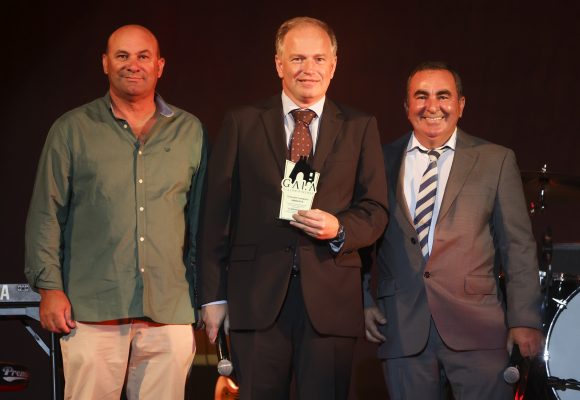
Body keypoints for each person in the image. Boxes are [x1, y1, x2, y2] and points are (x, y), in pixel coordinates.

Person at [199, 16, 388, 400]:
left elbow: (375, 209)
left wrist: (339, 228)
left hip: (331, 298)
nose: (308, 69)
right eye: (298, 58)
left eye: (319, 59)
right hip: (256, 298)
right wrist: (213, 296)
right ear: (278, 64)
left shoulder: (359, 126)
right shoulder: (242, 122)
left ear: (333, 66)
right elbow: (216, 215)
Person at [24, 24, 206, 399]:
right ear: (105, 63)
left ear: (160, 66)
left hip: (168, 309)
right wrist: (50, 288)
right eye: (122, 56)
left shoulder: (189, 131)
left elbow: (202, 223)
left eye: (143, 56)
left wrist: (203, 294)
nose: (132, 65)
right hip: (92, 310)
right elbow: (46, 214)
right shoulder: (72, 129)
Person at [363, 61, 543, 399]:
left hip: (479, 329)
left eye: (443, 96)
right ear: (406, 106)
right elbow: (361, 236)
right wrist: (363, 299)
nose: (432, 106)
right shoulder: (378, 160)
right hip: (401, 326)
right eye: (421, 96)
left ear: (461, 105)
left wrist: (524, 319)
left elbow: (517, 245)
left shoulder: (496, 160)